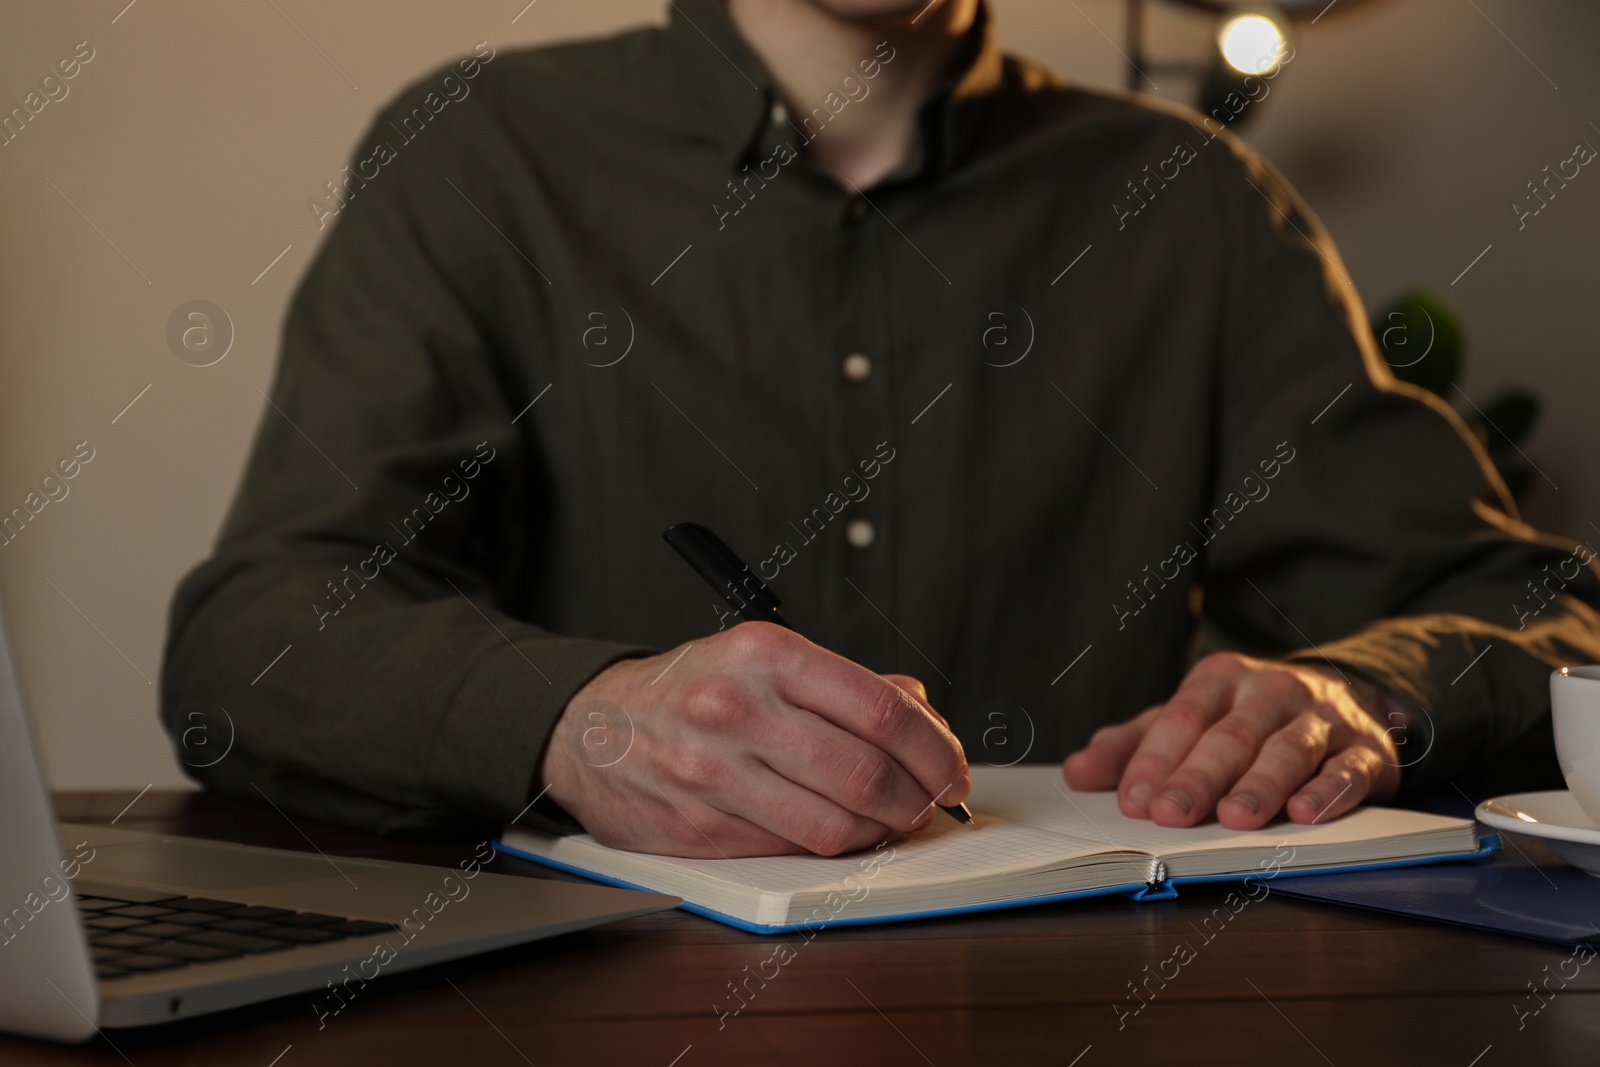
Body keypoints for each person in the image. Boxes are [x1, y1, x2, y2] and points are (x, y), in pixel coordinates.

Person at [162, 0, 1600, 857]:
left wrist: (1365, 699)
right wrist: (577, 719)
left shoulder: (1199, 203)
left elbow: (1550, 615)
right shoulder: (479, 153)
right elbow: (257, 633)